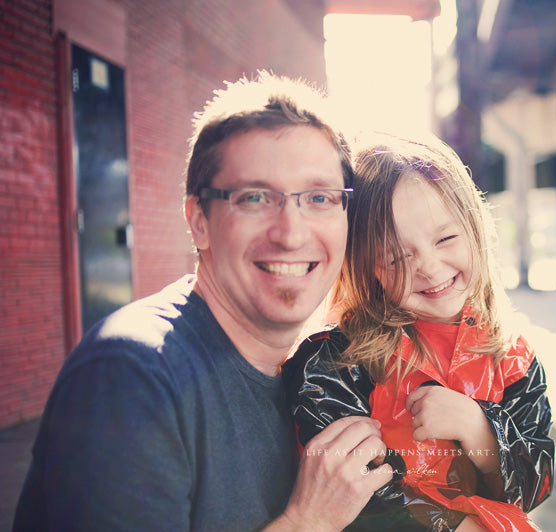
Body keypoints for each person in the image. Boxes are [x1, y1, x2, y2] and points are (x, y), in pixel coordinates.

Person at [13, 72, 394, 532]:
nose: (291, 233)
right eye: (254, 197)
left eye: (319, 197)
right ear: (199, 222)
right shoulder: (133, 376)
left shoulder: (310, 373)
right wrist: (309, 522)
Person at [283, 132, 556, 531]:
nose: (428, 266)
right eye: (396, 256)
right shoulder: (335, 364)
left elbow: (537, 483)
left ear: (475, 226)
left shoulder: (512, 356)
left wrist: (479, 428)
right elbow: (350, 493)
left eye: (445, 238)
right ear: (367, 266)